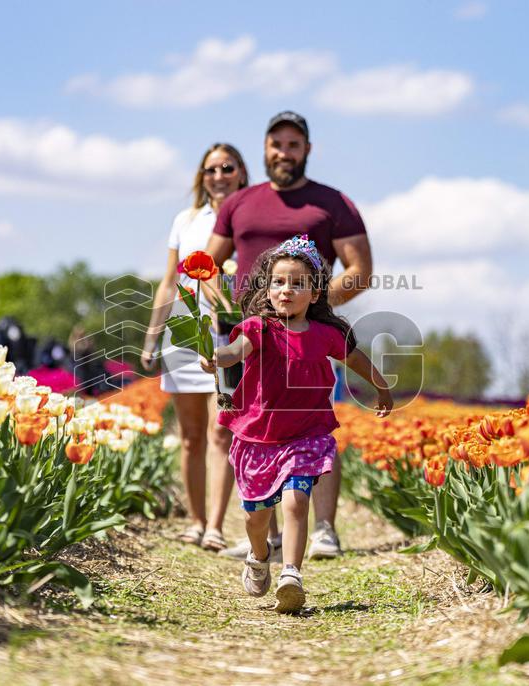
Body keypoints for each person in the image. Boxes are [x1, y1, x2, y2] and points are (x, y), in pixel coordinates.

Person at [206, 111, 374, 560]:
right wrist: (224, 305)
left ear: (307, 150)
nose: (284, 152)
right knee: (255, 425)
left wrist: (311, 309)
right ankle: (272, 535)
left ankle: (324, 530)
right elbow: (206, 265)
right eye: (276, 143)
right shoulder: (239, 203)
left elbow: (360, 270)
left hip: (306, 338)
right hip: (250, 336)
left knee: (314, 423)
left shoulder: (332, 203)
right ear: (265, 149)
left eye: (293, 144)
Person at [201, 236, 392, 612]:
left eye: (297, 283)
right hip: (258, 437)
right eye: (278, 282)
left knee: (296, 501)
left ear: (315, 292)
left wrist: (382, 388)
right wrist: (216, 357)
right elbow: (234, 351)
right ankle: (259, 555)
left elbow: (355, 359)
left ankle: (291, 574)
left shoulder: (326, 335)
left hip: (306, 435)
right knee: (256, 518)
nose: (286, 290)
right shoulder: (258, 329)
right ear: (267, 288)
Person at [141, 143, 249, 552]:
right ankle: (196, 520)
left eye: (227, 167)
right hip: (184, 334)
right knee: (190, 436)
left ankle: (216, 526)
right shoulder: (185, 221)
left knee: (221, 430)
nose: (218, 176)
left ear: (241, 173)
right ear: (201, 176)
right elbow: (169, 282)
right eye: (211, 169)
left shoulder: (250, 216)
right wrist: (152, 336)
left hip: (230, 334)